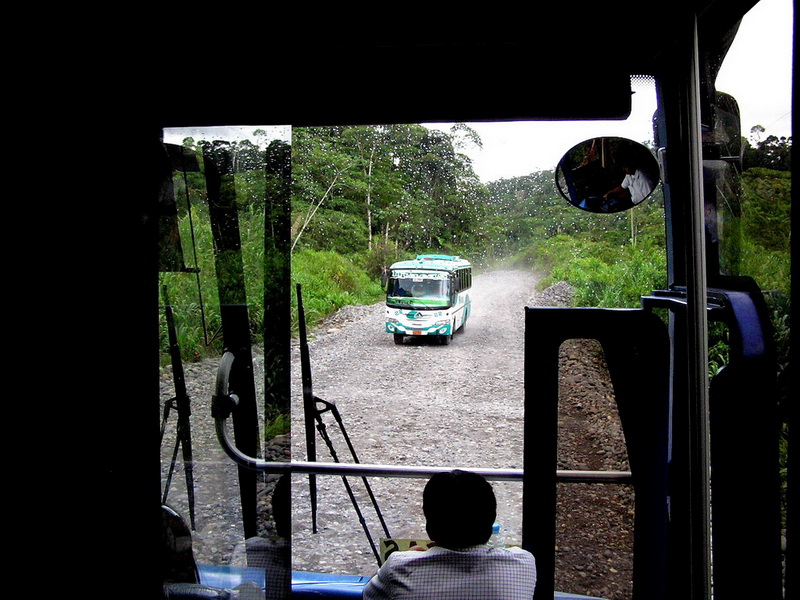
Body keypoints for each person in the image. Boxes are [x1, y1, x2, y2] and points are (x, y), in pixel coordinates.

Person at [362, 470, 536, 600]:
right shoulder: (523, 562)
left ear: (429, 524)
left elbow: (369, 594)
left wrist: (410, 557)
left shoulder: (398, 567)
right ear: (491, 521)